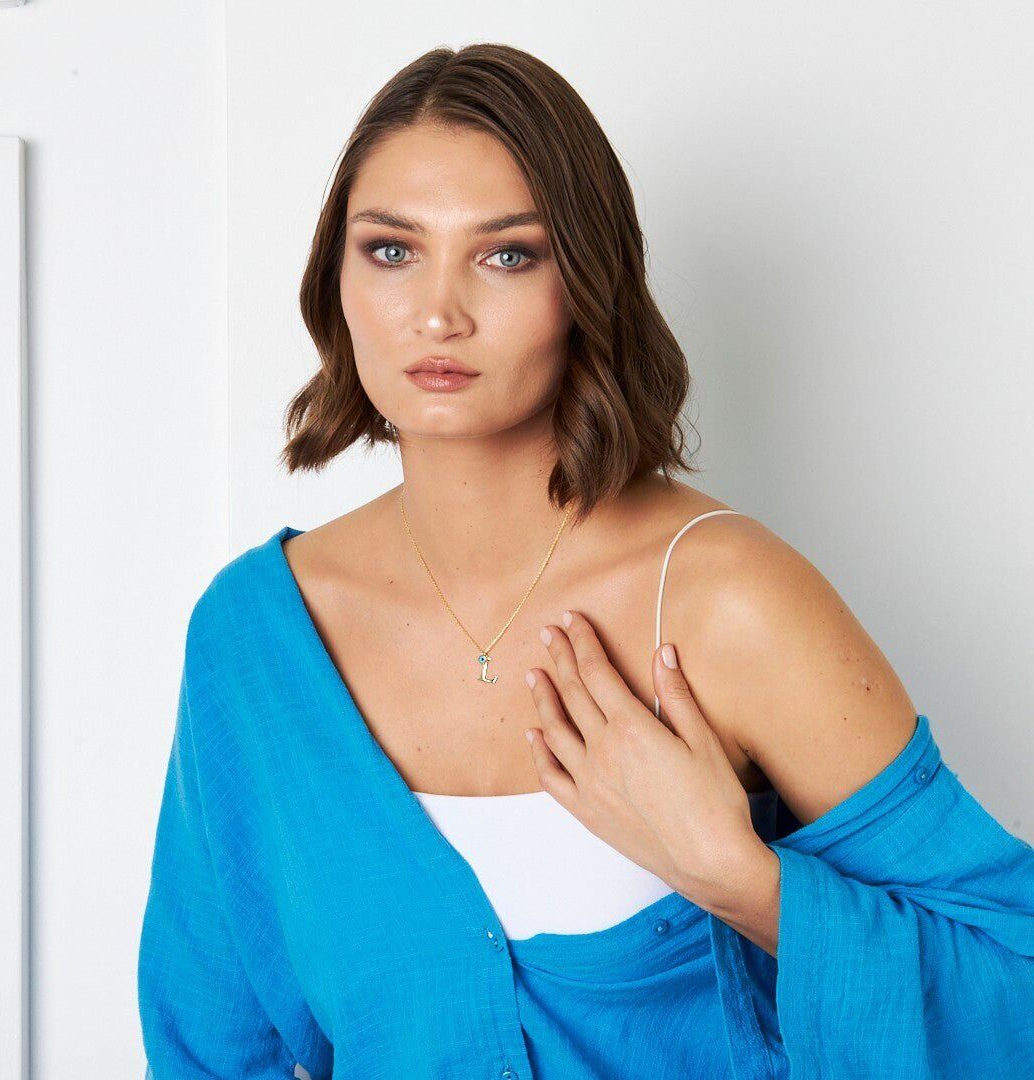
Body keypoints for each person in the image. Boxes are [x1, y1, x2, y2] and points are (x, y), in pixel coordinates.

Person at [137, 43, 1034, 1079]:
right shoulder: (254, 641)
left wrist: (740, 878)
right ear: (335, 279)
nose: (438, 312)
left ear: (586, 282)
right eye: (391, 250)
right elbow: (210, 1047)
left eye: (507, 255)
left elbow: (1014, 980)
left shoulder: (724, 604)